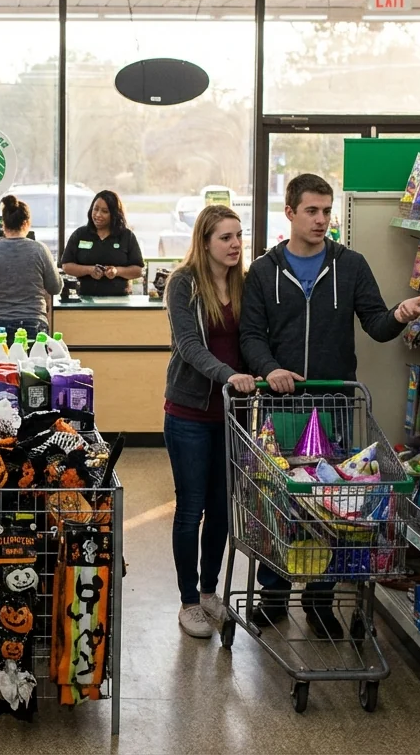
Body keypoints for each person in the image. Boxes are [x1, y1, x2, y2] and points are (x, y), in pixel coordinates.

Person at [239, 173, 420, 639]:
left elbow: (376, 324)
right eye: (312, 211)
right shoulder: (264, 272)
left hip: (335, 403)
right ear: (289, 213)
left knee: (333, 506)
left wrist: (400, 317)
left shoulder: (350, 266)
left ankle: (320, 600)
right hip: (279, 408)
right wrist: (269, 370)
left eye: (327, 211)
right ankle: (273, 593)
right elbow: (250, 336)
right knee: (278, 500)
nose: (322, 220)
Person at [162, 205, 256, 639]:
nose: (235, 244)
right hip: (189, 414)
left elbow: (254, 339)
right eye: (226, 237)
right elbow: (189, 344)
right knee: (191, 508)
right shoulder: (184, 283)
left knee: (221, 509)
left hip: (233, 416)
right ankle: (186, 601)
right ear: (204, 242)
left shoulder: (244, 283)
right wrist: (228, 376)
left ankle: (208, 592)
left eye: (239, 235)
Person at [0, 194, 62, 343]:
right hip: (34, 323)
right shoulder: (40, 250)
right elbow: (55, 287)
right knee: (33, 366)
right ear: (26, 223)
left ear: (3, 224)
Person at [60, 190, 145, 297]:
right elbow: (66, 266)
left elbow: (138, 270)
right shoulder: (80, 234)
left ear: (114, 214)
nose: (98, 215)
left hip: (119, 300)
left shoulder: (126, 236)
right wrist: (89, 270)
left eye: (105, 211)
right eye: (95, 209)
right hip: (84, 299)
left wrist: (116, 271)